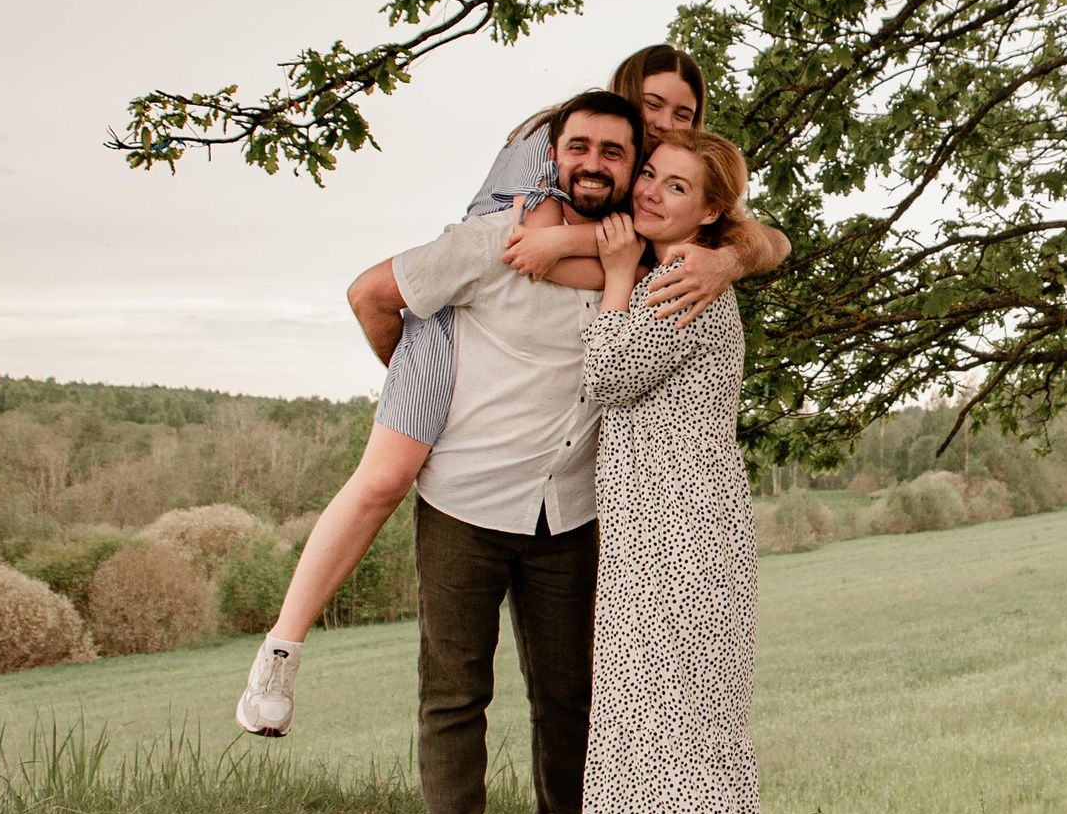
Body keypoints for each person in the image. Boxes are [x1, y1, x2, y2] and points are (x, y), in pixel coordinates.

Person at [234, 46, 786, 750]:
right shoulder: (555, 140)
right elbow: (526, 247)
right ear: (622, 96)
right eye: (653, 105)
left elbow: (762, 236)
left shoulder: (657, 181)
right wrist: (613, 253)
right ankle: (282, 650)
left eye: (683, 112)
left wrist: (727, 254)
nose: (665, 120)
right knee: (385, 478)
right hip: (454, 308)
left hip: (535, 343)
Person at [272, 89, 642, 814]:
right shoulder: (484, 245)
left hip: (570, 508)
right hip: (464, 505)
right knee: (454, 696)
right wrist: (413, 377)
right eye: (579, 146)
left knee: (567, 695)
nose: (595, 162)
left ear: (632, 165)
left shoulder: (644, 253)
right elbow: (371, 293)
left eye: (613, 152)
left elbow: (740, 236)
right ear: (554, 154)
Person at [580, 129, 823, 814]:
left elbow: (605, 374)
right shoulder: (671, 271)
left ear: (710, 210)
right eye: (649, 173)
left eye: (673, 185)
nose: (648, 190)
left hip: (684, 533)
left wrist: (611, 280)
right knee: (659, 706)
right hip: (655, 528)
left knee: (688, 719)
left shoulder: (681, 280)